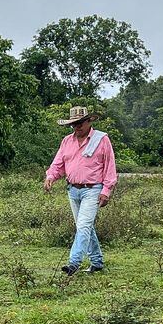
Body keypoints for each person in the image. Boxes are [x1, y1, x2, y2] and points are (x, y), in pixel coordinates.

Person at [43, 105, 117, 276]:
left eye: (80, 123)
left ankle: (74, 262)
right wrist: (51, 176)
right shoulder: (67, 141)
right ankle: (97, 262)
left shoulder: (102, 140)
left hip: (93, 189)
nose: (77, 127)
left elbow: (109, 166)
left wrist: (106, 190)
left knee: (83, 225)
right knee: (85, 226)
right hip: (73, 189)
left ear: (89, 121)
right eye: (74, 124)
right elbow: (58, 163)